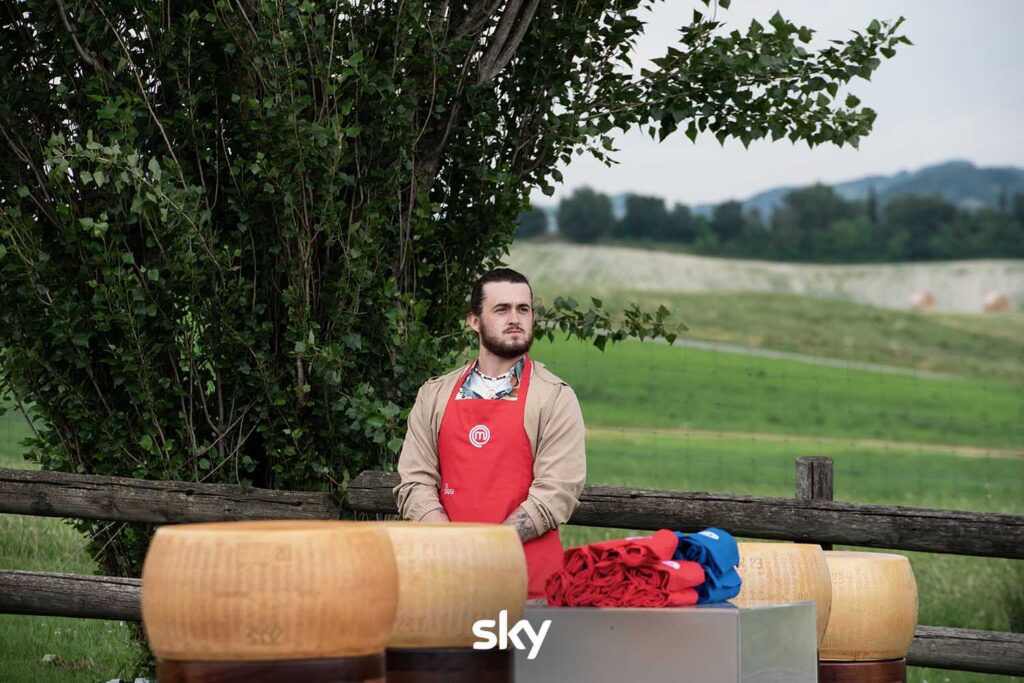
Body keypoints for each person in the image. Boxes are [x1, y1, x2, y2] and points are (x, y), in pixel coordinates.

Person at [394, 267, 587, 599]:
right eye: (502, 309)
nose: (515, 318)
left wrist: (487, 550)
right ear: (474, 321)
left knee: (521, 655)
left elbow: (556, 492)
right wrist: (455, 548)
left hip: (529, 588)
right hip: (445, 580)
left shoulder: (554, 397)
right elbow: (414, 481)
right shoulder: (435, 394)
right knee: (451, 654)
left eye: (523, 309)